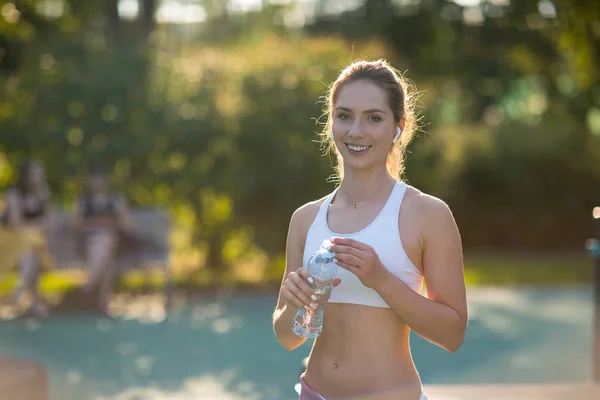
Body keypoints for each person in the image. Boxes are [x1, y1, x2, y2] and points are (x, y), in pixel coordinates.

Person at [273, 60, 468, 400]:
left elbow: (452, 335)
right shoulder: (305, 219)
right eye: (344, 115)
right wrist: (294, 304)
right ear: (330, 121)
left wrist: (381, 280)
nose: (356, 131)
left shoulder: (427, 214)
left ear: (399, 127)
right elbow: (288, 337)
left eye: (374, 118)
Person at [71, 164, 132, 314]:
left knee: (106, 242)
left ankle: (89, 283)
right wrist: (97, 223)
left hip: (115, 244)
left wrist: (109, 223)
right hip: (89, 244)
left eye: (100, 178)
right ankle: (103, 303)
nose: (97, 182)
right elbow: (75, 224)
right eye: (93, 179)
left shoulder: (115, 200)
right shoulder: (83, 201)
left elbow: (127, 224)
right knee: (105, 249)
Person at [0, 158, 54, 316]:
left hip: (31, 243)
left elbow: (51, 220)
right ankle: (30, 297)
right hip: (8, 241)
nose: (39, 174)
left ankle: (22, 291)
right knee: (32, 242)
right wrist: (39, 225)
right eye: (35, 171)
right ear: (26, 175)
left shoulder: (44, 192)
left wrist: (34, 227)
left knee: (32, 248)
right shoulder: (14, 194)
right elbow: (16, 225)